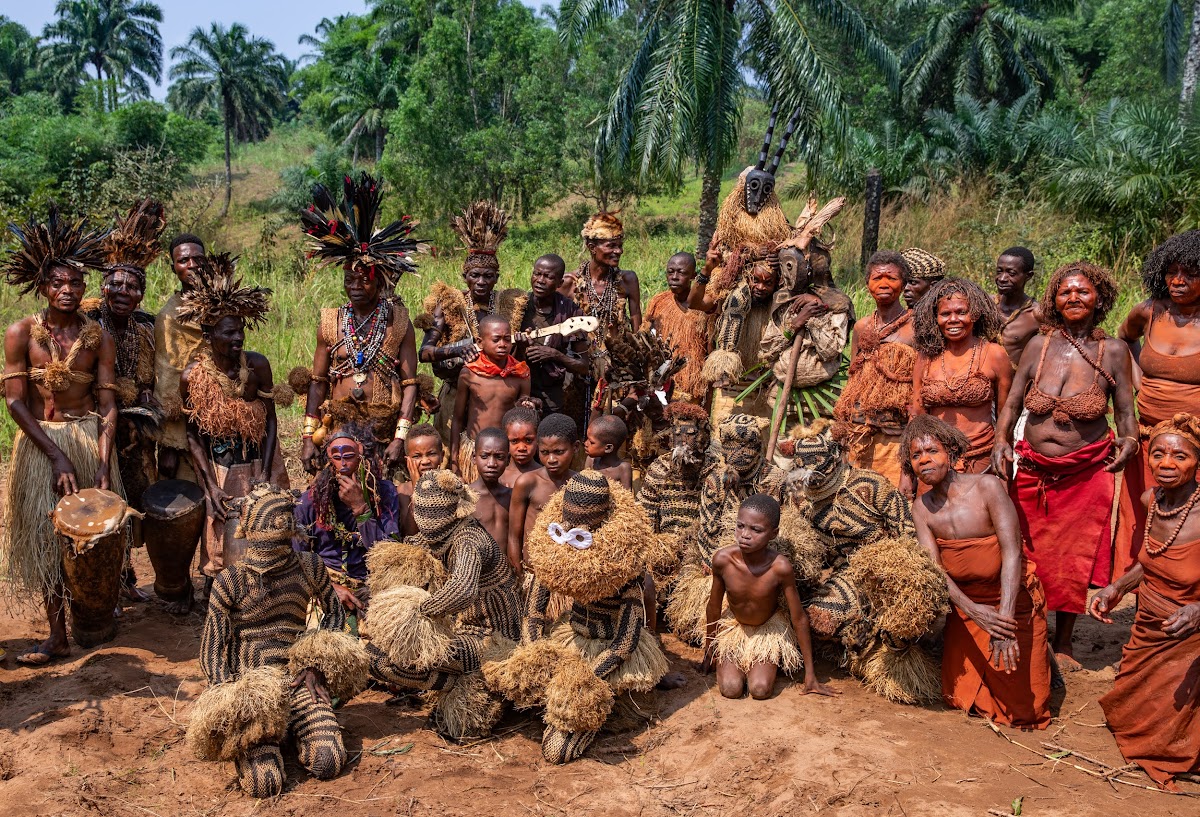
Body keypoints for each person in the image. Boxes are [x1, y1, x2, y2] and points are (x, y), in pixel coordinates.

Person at [992, 261, 1138, 670]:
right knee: (1025, 549)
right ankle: (1029, 623)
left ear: (1099, 298)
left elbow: (1125, 411)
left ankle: (1066, 639)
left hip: (1087, 472)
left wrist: (1129, 442)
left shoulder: (1113, 351)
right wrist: (1002, 440)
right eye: (1065, 292)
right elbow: (1013, 401)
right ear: (1053, 299)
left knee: (1072, 558)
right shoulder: (1039, 345)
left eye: (1083, 292)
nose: (1074, 298)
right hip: (1034, 467)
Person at [186, 484, 369, 798]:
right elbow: (212, 648)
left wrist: (314, 668)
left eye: (282, 523)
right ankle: (269, 740)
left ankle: (293, 731)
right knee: (264, 784)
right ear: (247, 529)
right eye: (269, 524)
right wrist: (232, 696)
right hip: (253, 690)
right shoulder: (230, 581)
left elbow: (335, 617)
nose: (276, 528)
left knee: (329, 761)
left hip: (298, 681)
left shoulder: (309, 567)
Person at [2, 205, 124, 666]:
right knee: (44, 534)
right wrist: (55, 455)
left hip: (88, 436)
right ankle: (57, 634)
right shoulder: (21, 333)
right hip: (41, 444)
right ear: (42, 286)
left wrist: (103, 461)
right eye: (58, 283)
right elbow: (14, 400)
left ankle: (91, 619)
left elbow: (108, 403)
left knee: (90, 537)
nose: (67, 290)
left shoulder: (98, 337)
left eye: (75, 282)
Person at [484, 471, 667, 763]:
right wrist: (536, 652)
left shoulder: (624, 566)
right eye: (568, 520)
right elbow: (534, 613)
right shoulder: (557, 554)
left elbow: (624, 643)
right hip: (571, 641)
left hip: (607, 653)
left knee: (556, 751)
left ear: (603, 519)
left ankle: (600, 711)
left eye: (582, 524)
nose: (571, 528)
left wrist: (586, 678)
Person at [779, 420, 948, 704]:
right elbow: (809, 546)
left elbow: (907, 529)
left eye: (818, 462)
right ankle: (860, 649)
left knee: (903, 617)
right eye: (802, 464)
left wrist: (898, 567)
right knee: (822, 619)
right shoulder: (800, 498)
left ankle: (888, 650)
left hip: (888, 565)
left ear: (835, 456)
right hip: (847, 570)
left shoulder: (869, 485)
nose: (811, 472)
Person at [905, 415, 1050, 729]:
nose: (924, 460)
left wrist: (1004, 623)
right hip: (969, 608)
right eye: (916, 456)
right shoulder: (921, 508)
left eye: (932, 451)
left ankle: (1041, 648)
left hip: (1012, 602)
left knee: (1027, 710)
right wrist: (974, 611)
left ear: (953, 454)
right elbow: (935, 570)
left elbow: (1012, 551)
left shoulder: (988, 487)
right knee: (958, 696)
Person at [366, 469, 522, 741]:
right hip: (461, 630)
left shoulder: (468, 540)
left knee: (391, 659)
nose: (423, 518)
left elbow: (462, 589)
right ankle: (453, 682)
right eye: (420, 509)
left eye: (429, 511)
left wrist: (415, 614)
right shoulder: (435, 538)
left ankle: (471, 682)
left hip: (492, 639)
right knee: (375, 657)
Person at [1091, 414, 1200, 791]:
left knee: (1173, 738)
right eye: (1158, 455)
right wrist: (1116, 588)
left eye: (1180, 457)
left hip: (1189, 633)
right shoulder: (1150, 499)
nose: (1167, 465)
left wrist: (1198, 611)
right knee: (1127, 715)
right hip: (1151, 626)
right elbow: (1148, 560)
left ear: (1197, 462)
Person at [297, 173, 423, 472]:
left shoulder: (399, 321)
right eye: (348, 279)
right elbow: (318, 383)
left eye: (363, 280)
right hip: (339, 432)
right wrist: (307, 437)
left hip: (382, 430)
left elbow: (409, 384)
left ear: (379, 284)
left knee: (380, 501)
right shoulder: (330, 322)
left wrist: (399, 438)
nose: (355, 286)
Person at [179, 254, 291, 584]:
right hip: (221, 467)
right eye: (228, 332)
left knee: (269, 523)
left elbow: (270, 421)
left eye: (240, 330)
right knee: (222, 529)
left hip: (260, 460)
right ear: (208, 334)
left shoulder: (257, 365)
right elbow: (193, 435)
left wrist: (268, 471)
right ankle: (221, 592)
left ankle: (271, 585)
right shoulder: (193, 377)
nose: (238, 337)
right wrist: (210, 486)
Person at [85, 199, 165, 602]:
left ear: (141, 294)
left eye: (132, 286)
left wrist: (146, 395)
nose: (122, 291)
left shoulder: (147, 329)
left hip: (133, 433)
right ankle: (104, 583)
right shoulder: (85, 323)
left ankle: (126, 578)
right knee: (98, 498)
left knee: (132, 502)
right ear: (103, 286)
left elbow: (150, 377)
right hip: (92, 426)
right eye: (115, 283)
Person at [1114, 231, 1200, 578]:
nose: (1178, 281)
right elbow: (1123, 340)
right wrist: (1139, 383)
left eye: (1190, 273)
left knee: (1191, 526)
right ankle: (1141, 592)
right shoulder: (1150, 311)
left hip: (1195, 447)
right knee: (1143, 515)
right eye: (1171, 272)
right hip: (1149, 440)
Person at [666, 414, 787, 645]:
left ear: (758, 447)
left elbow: (781, 525)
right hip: (723, 559)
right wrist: (713, 561)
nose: (739, 454)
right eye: (732, 447)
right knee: (694, 627)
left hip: (764, 558)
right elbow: (707, 526)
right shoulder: (715, 481)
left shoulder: (775, 479)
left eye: (746, 447)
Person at [702, 494, 835, 699]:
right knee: (730, 689)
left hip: (767, 631)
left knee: (760, 690)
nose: (745, 535)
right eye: (740, 526)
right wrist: (709, 651)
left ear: (773, 534)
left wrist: (810, 674)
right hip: (734, 627)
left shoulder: (779, 568)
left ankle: (765, 666)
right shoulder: (722, 560)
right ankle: (732, 664)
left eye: (756, 530)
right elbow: (713, 607)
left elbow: (798, 617)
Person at [417, 201, 526, 438]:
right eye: (474, 275)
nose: (481, 281)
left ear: (496, 278)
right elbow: (425, 353)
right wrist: (458, 350)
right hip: (456, 393)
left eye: (488, 276)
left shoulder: (511, 304)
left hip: (498, 399)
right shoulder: (448, 303)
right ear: (464, 276)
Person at [294, 424, 401, 628]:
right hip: (322, 587)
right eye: (336, 457)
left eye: (350, 456)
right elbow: (296, 560)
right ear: (327, 462)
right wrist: (328, 587)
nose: (343, 465)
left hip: (372, 586)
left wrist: (360, 508)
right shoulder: (309, 501)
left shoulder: (385, 494)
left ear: (365, 459)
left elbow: (390, 556)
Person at [758, 201, 853, 429]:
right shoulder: (782, 302)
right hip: (781, 399)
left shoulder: (837, 304)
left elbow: (830, 351)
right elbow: (767, 351)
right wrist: (795, 323)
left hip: (822, 402)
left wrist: (814, 315)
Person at [833, 250, 915, 492]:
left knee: (892, 499)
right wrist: (845, 421)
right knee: (857, 495)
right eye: (877, 278)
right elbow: (854, 375)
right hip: (860, 429)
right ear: (867, 282)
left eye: (892, 278)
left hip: (896, 432)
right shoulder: (861, 327)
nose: (884, 284)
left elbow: (921, 382)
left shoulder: (916, 327)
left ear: (904, 284)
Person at [911, 279, 1012, 474]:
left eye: (961, 312)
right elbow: (917, 415)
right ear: (935, 318)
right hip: (934, 462)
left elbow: (1006, 414)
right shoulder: (926, 357)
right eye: (945, 314)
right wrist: (908, 473)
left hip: (982, 459)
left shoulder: (994, 354)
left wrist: (1004, 458)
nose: (953, 319)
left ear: (975, 314)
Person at [571, 212, 642, 425]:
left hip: (618, 368)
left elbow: (637, 324)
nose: (618, 251)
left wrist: (636, 363)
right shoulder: (571, 283)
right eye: (611, 246)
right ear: (593, 248)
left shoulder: (627, 280)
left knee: (614, 424)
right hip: (582, 365)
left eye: (619, 245)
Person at [700, 251, 782, 427]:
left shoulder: (779, 310)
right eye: (756, 280)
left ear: (776, 285)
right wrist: (707, 270)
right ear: (747, 278)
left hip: (765, 389)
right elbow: (696, 303)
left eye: (768, 283)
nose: (761, 287)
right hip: (732, 390)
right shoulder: (730, 299)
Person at [450, 314, 531, 481]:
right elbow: (457, 419)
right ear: (480, 342)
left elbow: (524, 418)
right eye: (496, 340)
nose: (502, 344)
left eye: (507, 339)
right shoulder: (469, 373)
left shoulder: (520, 373)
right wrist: (454, 461)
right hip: (474, 449)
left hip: (506, 451)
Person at [154, 232, 206, 480]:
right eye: (184, 260)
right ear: (174, 267)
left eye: (198, 259)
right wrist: (169, 444)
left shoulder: (226, 304)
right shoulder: (168, 316)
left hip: (222, 418)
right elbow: (167, 381)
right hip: (185, 427)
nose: (192, 265)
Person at [515, 254, 589, 414]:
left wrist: (555, 355)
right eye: (537, 274)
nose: (540, 280)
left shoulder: (571, 312)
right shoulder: (517, 307)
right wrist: (520, 349)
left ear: (560, 283)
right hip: (516, 392)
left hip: (550, 397)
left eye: (548, 277)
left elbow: (584, 367)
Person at [507, 414, 580, 573]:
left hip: (567, 575)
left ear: (575, 447)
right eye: (545, 452)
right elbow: (514, 535)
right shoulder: (528, 482)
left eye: (559, 451)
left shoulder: (580, 484)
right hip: (532, 574)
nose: (551, 459)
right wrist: (519, 575)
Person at [642, 252, 715, 402]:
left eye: (681, 272)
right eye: (670, 272)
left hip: (692, 386)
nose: (674, 277)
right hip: (660, 383)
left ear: (693, 275)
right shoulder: (659, 301)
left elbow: (710, 350)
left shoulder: (704, 305)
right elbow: (644, 337)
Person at [993, 247, 1041, 368]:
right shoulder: (985, 305)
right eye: (999, 271)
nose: (1002, 278)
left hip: (1015, 383)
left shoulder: (1036, 314)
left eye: (1011, 273)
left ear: (1028, 276)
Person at [397, 422, 444, 536]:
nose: (425, 461)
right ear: (407, 460)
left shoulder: (453, 485)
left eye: (431, 454)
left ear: (442, 456)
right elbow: (409, 534)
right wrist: (417, 489)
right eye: (417, 456)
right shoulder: (403, 491)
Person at [470, 427, 512, 549]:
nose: (491, 464)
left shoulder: (513, 497)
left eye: (499, 457)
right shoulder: (465, 497)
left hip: (507, 567)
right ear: (474, 457)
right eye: (485, 456)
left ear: (508, 460)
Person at [583, 413, 632, 489]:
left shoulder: (622, 468)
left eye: (591, 442)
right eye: (587, 439)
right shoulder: (591, 461)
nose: (585, 443)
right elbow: (582, 486)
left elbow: (626, 497)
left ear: (608, 448)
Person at [501, 405, 540, 488]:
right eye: (514, 441)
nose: (522, 448)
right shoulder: (498, 477)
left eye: (528, 440)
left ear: (538, 439)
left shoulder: (546, 477)